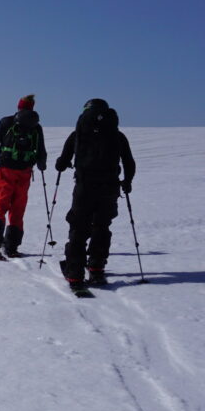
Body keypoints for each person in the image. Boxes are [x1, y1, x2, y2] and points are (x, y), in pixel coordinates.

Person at [54, 98, 136, 287]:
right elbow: (129, 162)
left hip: (84, 187)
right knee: (102, 226)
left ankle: (74, 271)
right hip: (110, 188)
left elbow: (61, 162)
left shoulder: (78, 134)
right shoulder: (117, 135)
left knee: (79, 227)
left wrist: (63, 164)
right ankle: (96, 268)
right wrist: (128, 182)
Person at [0, 94, 47, 257]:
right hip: (25, 171)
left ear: (19, 106)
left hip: (6, 170)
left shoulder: (6, 122)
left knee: (1, 204)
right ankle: (12, 246)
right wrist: (41, 165)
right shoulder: (36, 126)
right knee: (18, 207)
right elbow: (41, 150)